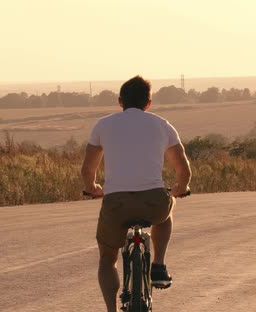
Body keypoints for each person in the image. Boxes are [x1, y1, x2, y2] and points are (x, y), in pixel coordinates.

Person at [81, 75, 192, 312]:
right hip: (153, 201)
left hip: (116, 204)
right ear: (148, 103)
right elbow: (183, 168)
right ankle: (159, 265)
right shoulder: (162, 124)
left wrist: (92, 188)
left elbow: (87, 169)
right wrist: (180, 189)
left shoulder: (103, 125)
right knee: (167, 208)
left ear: (120, 101)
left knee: (107, 259)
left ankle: (112, 309)